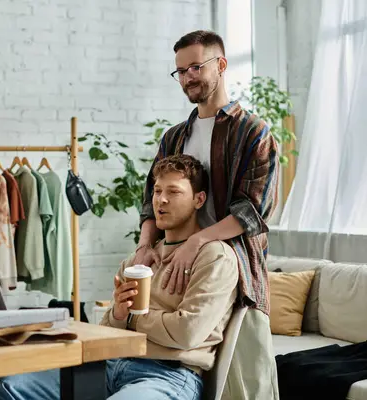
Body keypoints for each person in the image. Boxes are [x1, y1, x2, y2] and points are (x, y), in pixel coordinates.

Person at [0, 154, 238, 400]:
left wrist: (131, 317)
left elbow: (187, 333)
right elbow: (107, 331)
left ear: (199, 199)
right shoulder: (138, 261)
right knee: (5, 383)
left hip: (168, 375)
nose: (161, 200)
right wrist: (118, 313)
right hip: (109, 366)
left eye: (173, 192)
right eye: (157, 191)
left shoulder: (214, 257)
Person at [133, 30, 280, 400]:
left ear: (222, 65)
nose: (188, 78)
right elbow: (150, 200)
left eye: (196, 67)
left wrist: (198, 240)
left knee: (245, 384)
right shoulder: (173, 137)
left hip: (235, 269)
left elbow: (254, 210)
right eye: (180, 71)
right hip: (177, 261)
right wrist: (144, 245)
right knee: (182, 360)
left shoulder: (254, 132)